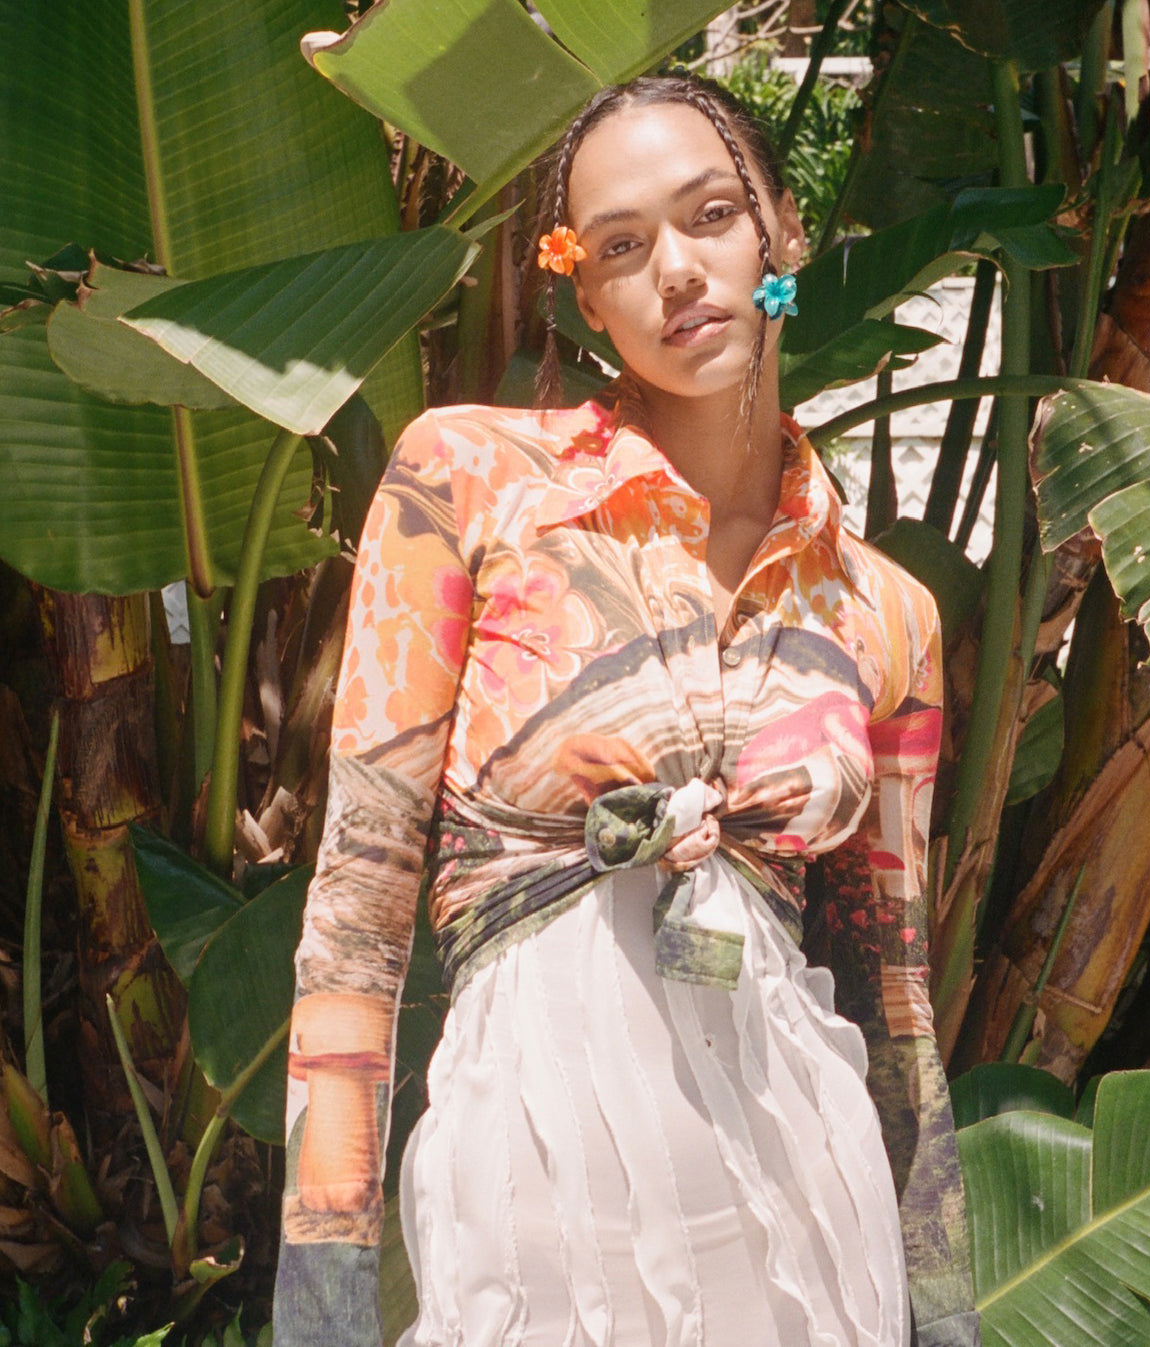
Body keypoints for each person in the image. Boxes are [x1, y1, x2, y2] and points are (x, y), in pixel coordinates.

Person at [274, 73, 979, 1347]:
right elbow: (356, 919)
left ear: (782, 229)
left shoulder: (887, 613)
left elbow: (896, 997)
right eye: (620, 246)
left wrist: (943, 1310)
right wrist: (321, 1300)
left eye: (712, 216)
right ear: (583, 292)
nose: (678, 272)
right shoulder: (466, 483)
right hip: (532, 1202)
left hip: (804, 1220)